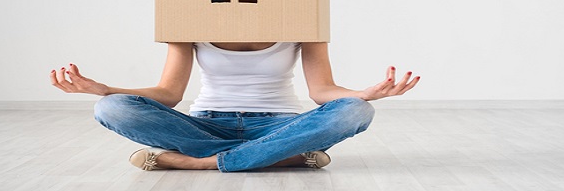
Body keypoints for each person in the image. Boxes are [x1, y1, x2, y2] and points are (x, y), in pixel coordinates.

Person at [49, 41, 419, 172]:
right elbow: (169, 93)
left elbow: (323, 91)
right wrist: (105, 89)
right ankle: (276, 158)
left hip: (280, 125)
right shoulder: (190, 23)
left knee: (356, 111)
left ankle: (202, 163)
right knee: (111, 108)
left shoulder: (301, 22)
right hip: (206, 124)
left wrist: (366, 94)